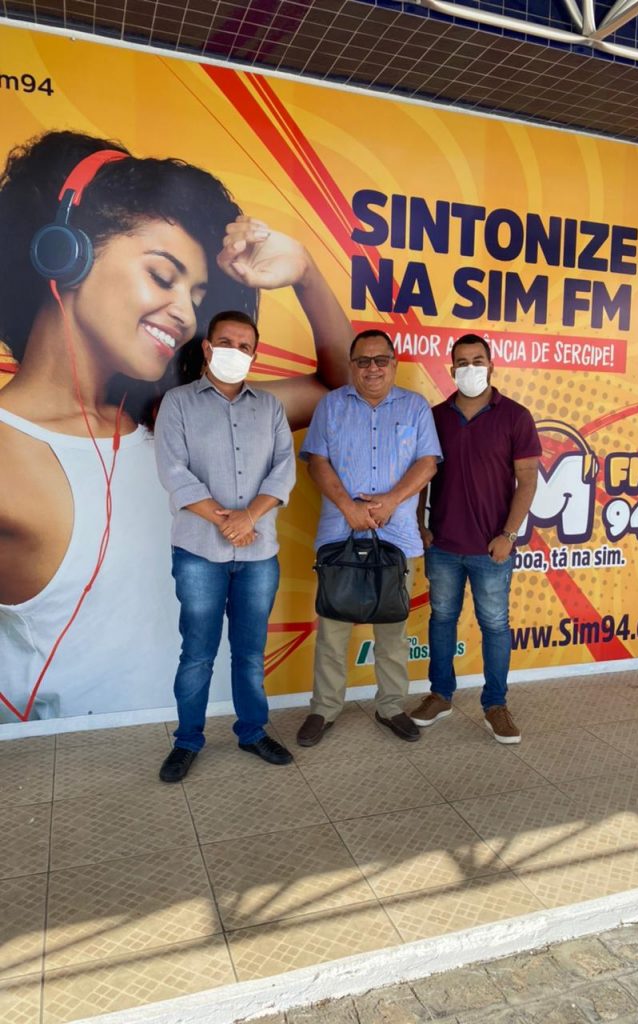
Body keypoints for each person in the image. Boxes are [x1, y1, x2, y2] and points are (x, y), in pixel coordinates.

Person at [0, 130, 350, 724]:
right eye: (163, 277)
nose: (187, 315)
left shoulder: (175, 417)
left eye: (197, 294)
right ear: (67, 255)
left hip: (212, 737)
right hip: (86, 766)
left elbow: (343, 393)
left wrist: (306, 275)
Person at [154, 310, 295, 781]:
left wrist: (248, 518)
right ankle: (187, 740)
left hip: (259, 556)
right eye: (227, 343)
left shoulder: (270, 407)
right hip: (199, 553)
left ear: (255, 354)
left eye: (245, 346)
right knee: (197, 653)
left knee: (250, 653)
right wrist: (230, 522)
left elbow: (284, 470)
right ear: (208, 348)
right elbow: (174, 472)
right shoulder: (177, 403)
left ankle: (252, 732)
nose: (236, 352)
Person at [296, 329, 441, 746]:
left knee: (393, 633)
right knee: (333, 632)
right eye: (363, 360)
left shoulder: (415, 407)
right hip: (340, 535)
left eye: (381, 360)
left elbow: (428, 463)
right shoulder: (331, 405)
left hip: (397, 538)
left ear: (394, 364)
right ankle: (324, 709)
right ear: (351, 365)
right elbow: (316, 461)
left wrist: (391, 501)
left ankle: (391, 706)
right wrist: (350, 508)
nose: (372, 368)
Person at [411, 334, 541, 743]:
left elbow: (527, 480)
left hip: (492, 549)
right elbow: (421, 476)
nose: (470, 368)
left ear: (491, 366)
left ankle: (495, 704)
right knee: (442, 620)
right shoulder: (435, 417)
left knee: (495, 626)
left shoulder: (515, 416)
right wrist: (419, 525)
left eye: (477, 360)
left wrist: (508, 535)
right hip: (443, 546)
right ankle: (440, 695)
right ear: (452, 369)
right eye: (462, 362)